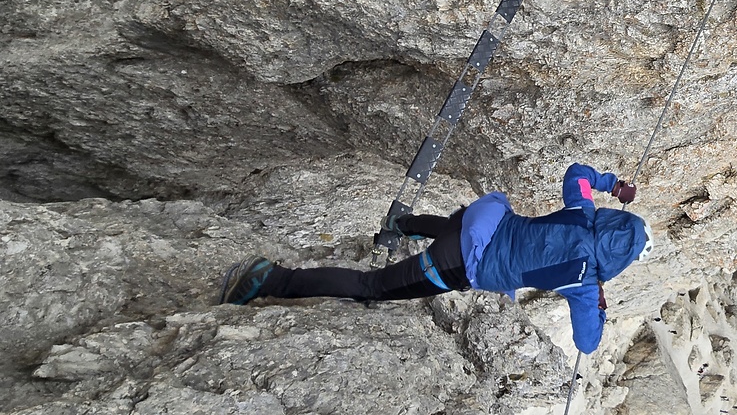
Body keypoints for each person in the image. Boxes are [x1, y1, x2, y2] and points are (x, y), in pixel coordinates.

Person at [217, 163, 651, 354]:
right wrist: (596, 301)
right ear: (623, 262)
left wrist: (613, 186)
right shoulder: (584, 280)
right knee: (373, 288)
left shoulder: (585, 213)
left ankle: (402, 225)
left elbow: (576, 173)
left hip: (486, 217)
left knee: (457, 228)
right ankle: (270, 279)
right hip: (461, 263)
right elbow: (587, 343)